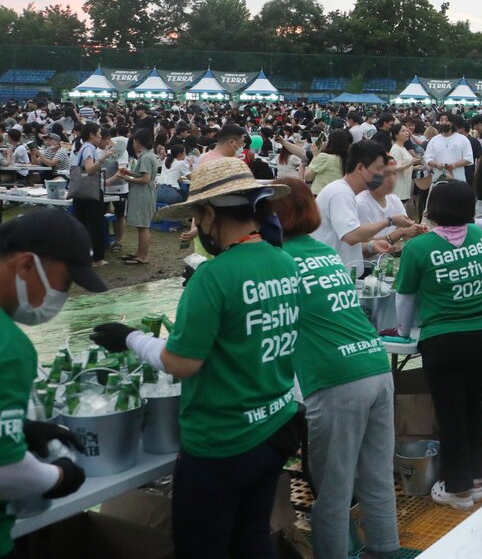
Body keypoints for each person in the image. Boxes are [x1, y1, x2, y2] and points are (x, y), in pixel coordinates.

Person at [90, 158, 303, 559]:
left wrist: (131, 338)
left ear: (208, 215)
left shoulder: (214, 275)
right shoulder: (284, 262)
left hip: (223, 441)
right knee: (251, 539)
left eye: (197, 217)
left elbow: (182, 362)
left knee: (202, 548)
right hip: (274, 426)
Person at [270, 179, 399, 559]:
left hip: (334, 379)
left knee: (334, 492)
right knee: (376, 478)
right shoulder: (324, 252)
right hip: (374, 365)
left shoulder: (277, 260)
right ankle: (386, 550)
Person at [0, 209, 104, 557]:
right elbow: (6, 473)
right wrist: (59, 477)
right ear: (27, 266)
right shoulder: (9, 347)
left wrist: (19, 428)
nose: (64, 295)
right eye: (65, 282)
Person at [394, 180, 482, 509]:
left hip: (444, 338)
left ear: (434, 208)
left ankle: (458, 489)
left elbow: (405, 296)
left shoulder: (419, 248)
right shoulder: (480, 237)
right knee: (472, 408)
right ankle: (477, 480)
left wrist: (402, 331)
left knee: (450, 413)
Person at [313, 141, 418, 275]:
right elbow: (351, 235)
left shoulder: (346, 192)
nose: (382, 176)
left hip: (340, 274)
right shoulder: (340, 193)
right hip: (331, 275)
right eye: (379, 169)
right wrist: (390, 221)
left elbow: (345, 239)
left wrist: (371, 245)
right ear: (360, 168)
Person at [70, 121, 111, 267]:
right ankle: (96, 258)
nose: (100, 137)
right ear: (92, 135)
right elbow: (89, 170)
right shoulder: (89, 148)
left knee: (82, 222)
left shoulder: (83, 147)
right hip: (90, 192)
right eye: (99, 134)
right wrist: (103, 158)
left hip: (81, 191)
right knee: (95, 224)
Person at [355, 157, 421, 246]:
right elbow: (364, 247)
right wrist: (401, 232)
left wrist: (418, 230)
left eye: (394, 174)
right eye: (386, 175)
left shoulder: (394, 199)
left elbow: (406, 230)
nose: (391, 180)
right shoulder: (361, 204)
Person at [118, 128, 158, 265]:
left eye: (135, 140)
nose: (133, 143)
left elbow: (145, 179)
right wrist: (129, 173)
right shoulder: (149, 155)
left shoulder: (146, 157)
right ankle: (139, 253)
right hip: (146, 193)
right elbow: (143, 175)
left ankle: (143, 256)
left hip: (143, 194)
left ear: (139, 142)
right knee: (141, 226)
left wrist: (127, 179)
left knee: (143, 226)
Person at [423, 115, 471, 182]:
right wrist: (436, 164)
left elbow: (468, 158)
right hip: (438, 180)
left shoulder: (463, 139)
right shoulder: (434, 140)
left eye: (447, 120)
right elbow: (427, 158)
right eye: (441, 120)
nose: (444, 122)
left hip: (458, 180)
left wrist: (454, 165)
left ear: (452, 123)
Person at [305, 129, 352, 194]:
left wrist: (315, 155)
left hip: (319, 195)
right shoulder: (349, 160)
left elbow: (307, 177)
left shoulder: (324, 157)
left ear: (330, 142)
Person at [387, 123, 419, 208]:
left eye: (407, 131)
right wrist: (411, 163)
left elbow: (404, 165)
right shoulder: (396, 149)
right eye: (403, 131)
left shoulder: (402, 147)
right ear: (396, 135)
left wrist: (415, 167)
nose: (407, 133)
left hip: (405, 186)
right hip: (398, 188)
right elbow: (395, 168)